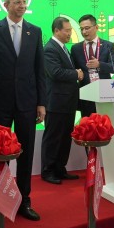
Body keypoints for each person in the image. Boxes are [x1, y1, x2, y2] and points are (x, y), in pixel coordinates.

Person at [0, 0, 46, 221]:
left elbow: (39, 69)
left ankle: (24, 200)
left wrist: (41, 102)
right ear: (6, 5)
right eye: (16, 2)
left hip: (28, 102)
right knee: (1, 152)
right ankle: (0, 198)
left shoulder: (34, 31)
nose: (21, 6)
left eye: (24, 2)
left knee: (26, 151)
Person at [40, 17, 83, 184]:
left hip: (68, 102)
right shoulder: (49, 49)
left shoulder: (64, 48)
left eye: (71, 30)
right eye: (67, 30)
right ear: (56, 30)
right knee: (53, 137)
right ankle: (48, 170)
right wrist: (76, 74)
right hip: (56, 102)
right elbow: (55, 73)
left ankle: (60, 168)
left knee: (65, 137)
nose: (70, 34)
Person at [71, 14, 114, 117]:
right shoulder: (76, 48)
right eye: (81, 29)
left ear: (96, 27)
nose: (84, 32)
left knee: (106, 125)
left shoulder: (108, 46)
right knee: (87, 127)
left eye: (87, 28)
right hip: (86, 95)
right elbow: (73, 70)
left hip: (105, 93)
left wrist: (99, 64)